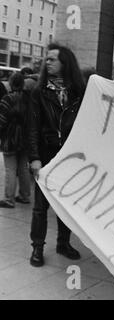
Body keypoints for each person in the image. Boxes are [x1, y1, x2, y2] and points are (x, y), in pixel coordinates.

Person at [28, 43, 86, 267]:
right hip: (46, 154)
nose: (47, 62)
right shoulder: (39, 92)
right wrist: (34, 157)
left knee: (66, 206)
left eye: (52, 59)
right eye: (47, 59)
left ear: (65, 63)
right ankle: (37, 248)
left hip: (70, 158)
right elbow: (32, 127)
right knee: (40, 207)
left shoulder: (78, 93)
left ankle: (63, 243)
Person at [0, 72, 31, 208]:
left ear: (11, 83)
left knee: (10, 169)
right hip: (26, 138)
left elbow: (1, 121)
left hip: (10, 138)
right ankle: (24, 196)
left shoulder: (7, 99)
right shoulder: (29, 99)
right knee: (23, 168)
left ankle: (9, 199)